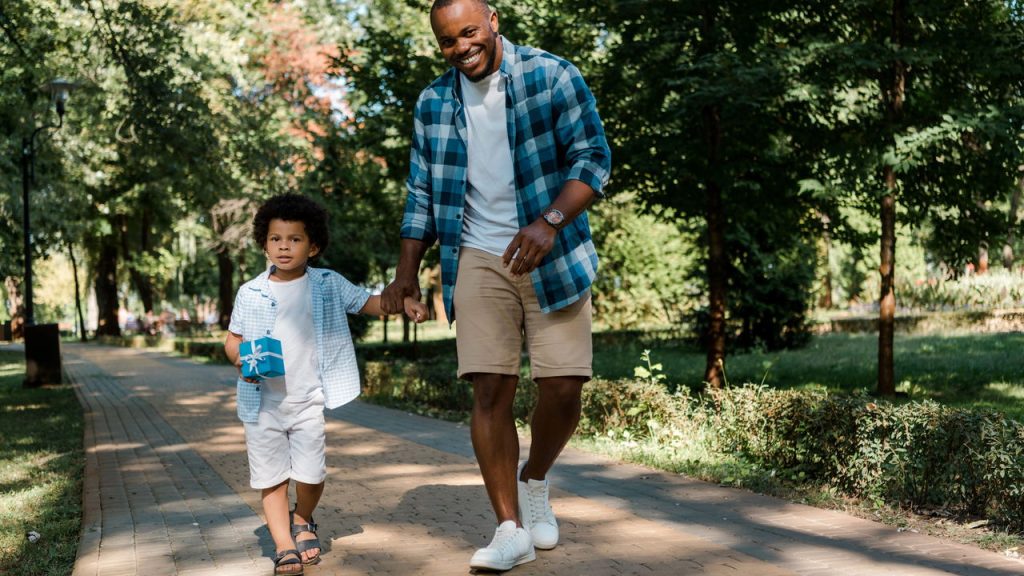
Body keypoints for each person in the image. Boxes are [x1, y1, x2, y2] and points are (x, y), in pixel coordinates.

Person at [380, 0, 611, 571]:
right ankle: (509, 528)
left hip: (552, 253)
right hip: (476, 255)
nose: (461, 47)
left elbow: (592, 160)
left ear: (493, 21)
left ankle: (534, 480)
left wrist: (549, 222)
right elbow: (421, 193)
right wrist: (406, 271)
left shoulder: (553, 76)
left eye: (469, 33)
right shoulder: (435, 101)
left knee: (563, 389)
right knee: (489, 391)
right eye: (447, 41)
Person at [225, 193, 426, 575]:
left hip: (308, 400)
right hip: (262, 403)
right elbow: (232, 340)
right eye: (275, 239)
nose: (284, 246)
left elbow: (371, 302)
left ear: (312, 245)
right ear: (264, 243)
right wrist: (241, 360)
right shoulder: (249, 292)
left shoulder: (327, 284)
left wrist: (404, 302)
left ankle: (302, 517)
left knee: (311, 474)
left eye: (295, 239)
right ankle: (284, 545)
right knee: (271, 478)